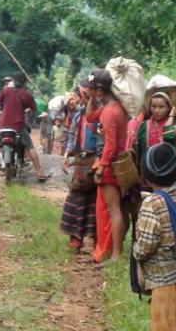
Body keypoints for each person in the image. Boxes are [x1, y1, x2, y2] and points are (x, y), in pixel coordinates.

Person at [133, 142, 176, 331]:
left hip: (163, 281)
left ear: (147, 174)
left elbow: (147, 244)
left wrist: (136, 251)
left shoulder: (151, 203)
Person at [87, 69, 129, 262]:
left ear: (99, 91)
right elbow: (89, 117)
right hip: (113, 164)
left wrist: (103, 166)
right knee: (107, 210)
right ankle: (106, 251)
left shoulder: (110, 113)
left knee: (113, 210)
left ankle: (115, 255)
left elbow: (110, 144)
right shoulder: (113, 108)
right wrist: (92, 97)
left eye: (92, 90)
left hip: (111, 167)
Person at [60, 81, 98, 252]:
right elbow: (71, 136)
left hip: (95, 159)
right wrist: (68, 153)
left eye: (84, 94)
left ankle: (97, 240)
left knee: (95, 201)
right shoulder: (77, 114)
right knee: (76, 199)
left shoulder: (100, 113)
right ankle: (76, 237)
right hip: (80, 161)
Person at [0, 73, 47, 181]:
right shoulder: (27, 95)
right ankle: (39, 171)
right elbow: (33, 109)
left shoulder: (5, 91)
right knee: (30, 146)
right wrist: (25, 110)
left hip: (2, 125)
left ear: (14, 81)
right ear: (24, 83)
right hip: (18, 126)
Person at [135, 92, 176, 171]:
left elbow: (169, 137)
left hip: (168, 168)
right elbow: (140, 150)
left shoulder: (175, 124)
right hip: (147, 169)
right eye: (153, 106)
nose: (156, 110)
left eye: (161, 107)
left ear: (169, 108)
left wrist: (171, 116)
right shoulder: (144, 126)